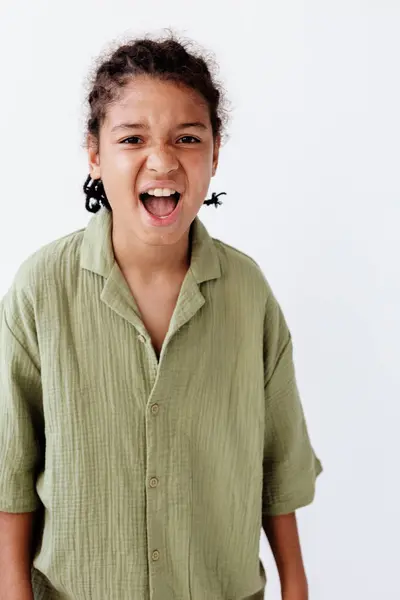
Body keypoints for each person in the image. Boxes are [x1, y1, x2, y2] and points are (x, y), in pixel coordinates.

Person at [0, 30, 322, 600]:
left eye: (187, 137)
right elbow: (10, 474)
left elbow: (281, 466)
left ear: (215, 154)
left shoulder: (247, 294)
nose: (162, 159)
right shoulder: (41, 289)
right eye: (131, 138)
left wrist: (296, 588)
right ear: (95, 155)